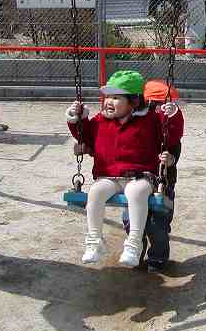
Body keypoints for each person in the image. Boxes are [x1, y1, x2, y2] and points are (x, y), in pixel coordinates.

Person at [65, 70, 176, 267]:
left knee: (136, 192)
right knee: (95, 191)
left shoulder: (149, 120)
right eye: (108, 97)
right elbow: (84, 134)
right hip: (109, 177)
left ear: (134, 102)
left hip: (141, 176)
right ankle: (94, 241)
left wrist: (172, 116)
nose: (109, 101)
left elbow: (171, 133)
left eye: (116, 98)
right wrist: (76, 118)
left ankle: (134, 244)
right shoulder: (101, 121)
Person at [122, 79, 184, 273]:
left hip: (162, 183)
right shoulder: (136, 128)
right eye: (152, 106)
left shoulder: (169, 132)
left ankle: (158, 257)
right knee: (130, 220)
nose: (156, 111)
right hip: (137, 182)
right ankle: (136, 251)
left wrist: (170, 160)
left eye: (160, 107)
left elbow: (174, 146)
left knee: (158, 225)